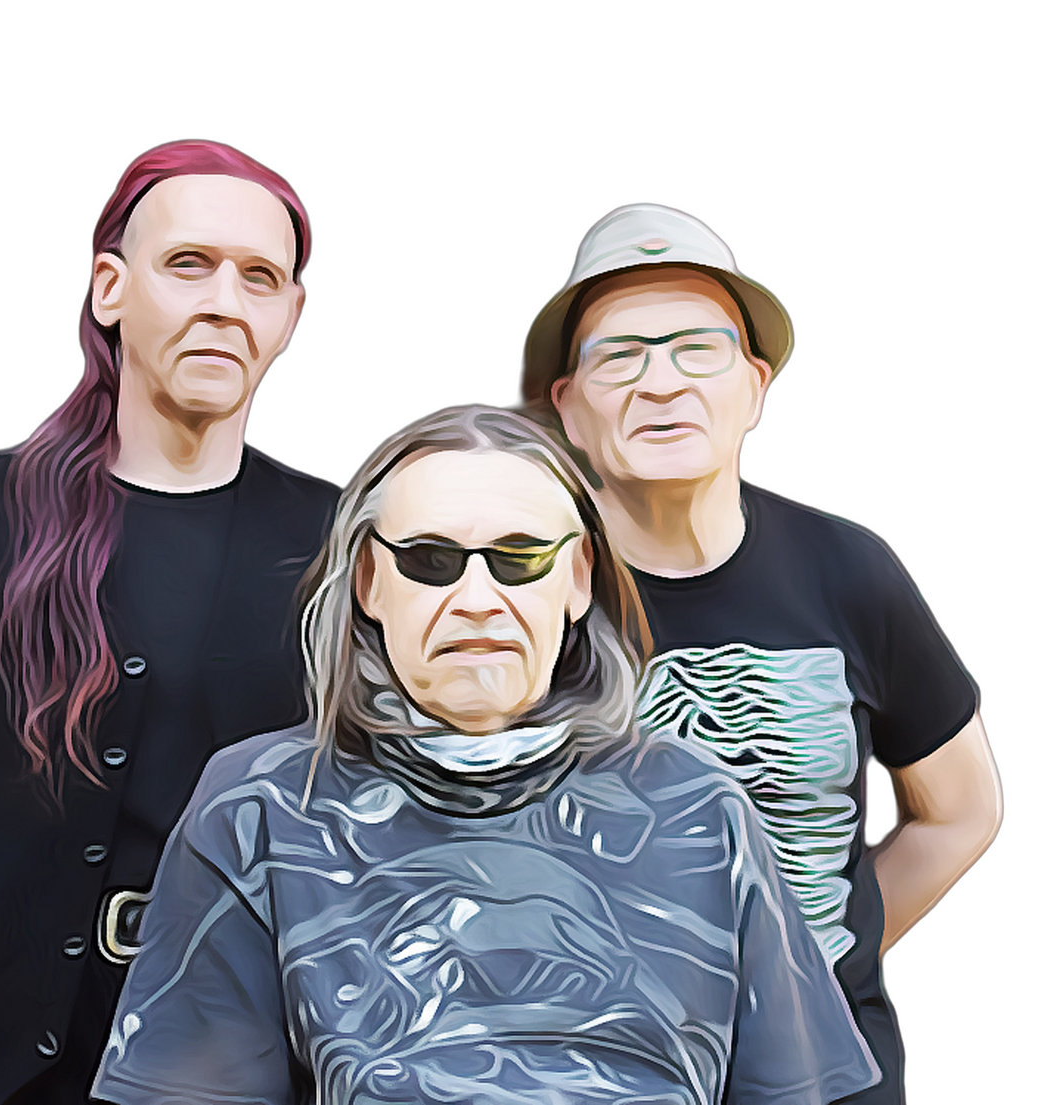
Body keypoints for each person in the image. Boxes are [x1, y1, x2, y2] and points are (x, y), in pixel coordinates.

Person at [93, 404, 879, 1105]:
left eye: (520, 557)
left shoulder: (701, 806)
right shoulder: (259, 806)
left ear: (578, 578)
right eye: (430, 560)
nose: (476, 599)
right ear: (368, 580)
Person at [0, 140, 338, 1105]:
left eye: (260, 277)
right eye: (188, 264)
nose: (225, 303)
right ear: (110, 287)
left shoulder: (334, 543)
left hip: (224, 1060)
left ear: (291, 315)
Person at [522, 203, 1003, 1103]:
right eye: (618, 356)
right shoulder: (515, 589)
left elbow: (962, 809)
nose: (660, 383)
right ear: (569, 407)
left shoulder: (850, 570)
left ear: (754, 386)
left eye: (696, 349)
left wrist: (815, 959)